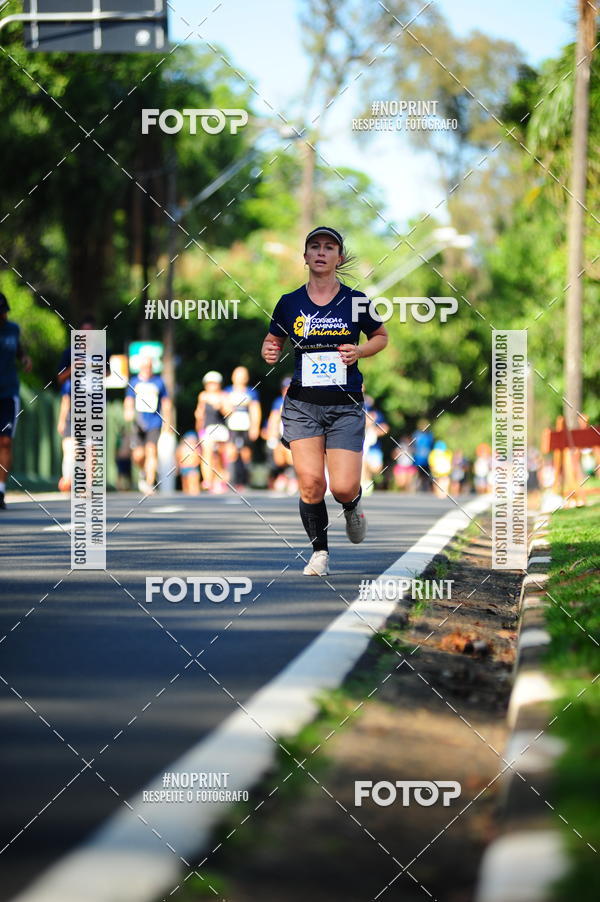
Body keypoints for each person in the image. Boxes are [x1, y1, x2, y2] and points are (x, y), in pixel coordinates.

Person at [261, 225, 388, 576]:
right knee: (311, 483)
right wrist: (270, 350)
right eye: (314, 247)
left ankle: (352, 506)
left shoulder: (356, 300)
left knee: (343, 486)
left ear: (339, 257)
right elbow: (272, 341)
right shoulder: (289, 303)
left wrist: (360, 350)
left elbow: (381, 336)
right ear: (305, 257)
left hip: (345, 404)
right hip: (303, 405)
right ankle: (320, 552)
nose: (320, 252)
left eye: (329, 247)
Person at [0, 293, 31, 509]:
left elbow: (18, 349)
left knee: (5, 441)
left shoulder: (13, 329)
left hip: (9, 392)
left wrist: (24, 358)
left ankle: (0, 490)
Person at [124, 357, 170, 495]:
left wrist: (167, 421)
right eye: (144, 366)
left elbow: (166, 402)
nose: (147, 369)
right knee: (138, 455)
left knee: (151, 451)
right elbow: (129, 400)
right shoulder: (134, 382)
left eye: (149, 366)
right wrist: (128, 412)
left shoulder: (159, 382)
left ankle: (149, 483)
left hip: (154, 422)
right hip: (138, 423)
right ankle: (144, 472)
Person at [223, 366, 261, 490]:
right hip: (231, 426)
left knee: (246, 453)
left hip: (246, 425)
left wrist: (255, 427)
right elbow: (224, 408)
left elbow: (255, 410)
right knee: (231, 452)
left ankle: (246, 481)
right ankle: (232, 481)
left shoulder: (251, 392)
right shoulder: (228, 391)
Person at [194, 371, 230, 493]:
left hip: (221, 428)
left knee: (220, 454)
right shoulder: (203, 396)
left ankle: (219, 479)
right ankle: (207, 480)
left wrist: (221, 406)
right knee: (207, 452)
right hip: (207, 429)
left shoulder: (224, 395)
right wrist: (199, 429)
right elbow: (200, 415)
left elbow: (229, 412)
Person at [264, 376, 297, 493]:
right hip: (281, 435)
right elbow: (273, 419)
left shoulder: (298, 401)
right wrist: (271, 435)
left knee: (290, 454)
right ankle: (283, 475)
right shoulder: (278, 402)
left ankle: (292, 477)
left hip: (295, 435)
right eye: (285, 388)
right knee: (278, 455)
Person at [362, 395, 389, 494]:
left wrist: (375, 431)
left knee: (376, 468)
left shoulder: (376, 414)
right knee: (362, 461)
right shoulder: (353, 413)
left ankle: (366, 480)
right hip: (359, 445)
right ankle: (363, 484)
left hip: (373, 447)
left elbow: (385, 428)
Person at [56, 376, 73, 492]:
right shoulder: (69, 383)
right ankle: (67, 479)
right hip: (71, 420)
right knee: (69, 451)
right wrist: (62, 421)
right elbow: (66, 401)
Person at [412, 419, 435, 491]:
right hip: (418, 459)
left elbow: (431, 446)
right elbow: (413, 445)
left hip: (427, 459)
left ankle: (425, 488)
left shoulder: (430, 435)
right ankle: (416, 488)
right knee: (417, 474)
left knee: (426, 475)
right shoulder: (416, 434)